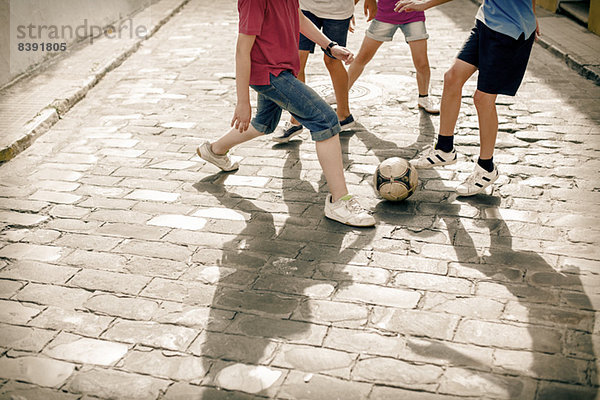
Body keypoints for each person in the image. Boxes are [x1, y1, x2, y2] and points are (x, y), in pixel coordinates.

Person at [197, 0, 376, 227]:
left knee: (264, 123)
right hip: (270, 74)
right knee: (326, 120)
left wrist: (330, 46)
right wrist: (243, 101)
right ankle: (339, 201)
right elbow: (242, 49)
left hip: (282, 69)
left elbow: (298, 18)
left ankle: (214, 150)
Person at [396, 0, 539, 196]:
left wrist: (424, 4)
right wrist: (531, 13)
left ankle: (486, 168)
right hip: (486, 21)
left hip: (509, 32)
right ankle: (445, 149)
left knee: (483, 99)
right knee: (452, 77)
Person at [273, 0, 377, 143]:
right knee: (296, 61)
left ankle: (344, 116)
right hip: (304, 7)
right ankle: (296, 120)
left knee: (333, 61)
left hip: (338, 10)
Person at [347, 0, 440, 114]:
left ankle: (424, 98)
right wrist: (349, 11)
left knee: (422, 63)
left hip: (414, 16)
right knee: (362, 58)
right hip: (384, 16)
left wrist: (424, 3)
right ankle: (340, 94)